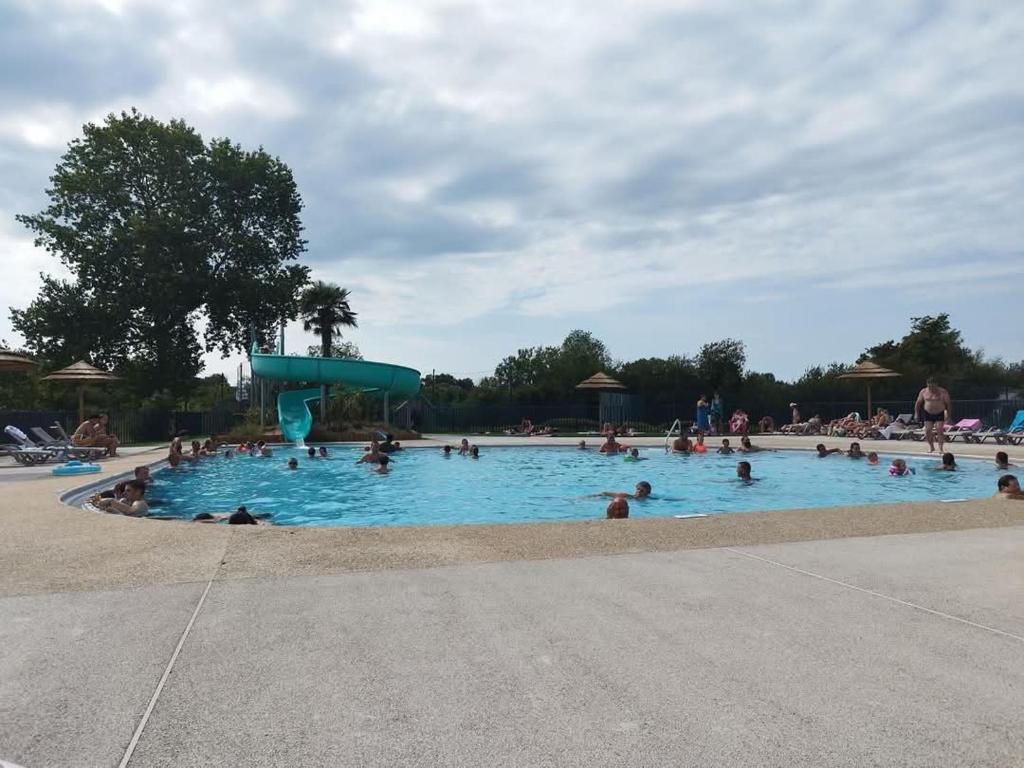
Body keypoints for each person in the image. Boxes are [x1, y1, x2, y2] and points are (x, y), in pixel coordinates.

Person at [914, 377, 952, 453]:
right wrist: (916, 413)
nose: (931, 388)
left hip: (939, 412)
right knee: (927, 431)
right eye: (929, 386)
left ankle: (941, 448)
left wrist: (948, 416)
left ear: (936, 385)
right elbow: (918, 403)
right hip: (927, 412)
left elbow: (948, 404)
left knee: (939, 430)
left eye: (933, 386)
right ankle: (931, 447)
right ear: (927, 385)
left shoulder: (943, 392)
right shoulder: (923, 391)